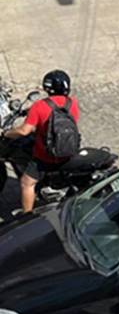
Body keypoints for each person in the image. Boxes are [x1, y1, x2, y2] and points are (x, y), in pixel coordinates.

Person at [2, 70, 79, 213]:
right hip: (67, 150)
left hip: (46, 157)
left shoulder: (40, 106)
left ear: (47, 87)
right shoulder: (72, 103)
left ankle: (27, 216)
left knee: (27, 183)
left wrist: (6, 133)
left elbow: (24, 131)